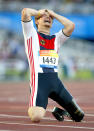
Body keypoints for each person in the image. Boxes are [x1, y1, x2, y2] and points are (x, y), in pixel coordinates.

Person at [21, 8, 84, 122]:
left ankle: (59, 111)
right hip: (39, 83)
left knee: (79, 116)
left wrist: (53, 14)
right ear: (36, 21)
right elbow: (25, 12)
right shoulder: (31, 34)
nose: (47, 17)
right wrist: (41, 12)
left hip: (56, 83)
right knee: (36, 117)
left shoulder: (57, 39)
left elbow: (70, 26)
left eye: (50, 17)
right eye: (43, 16)